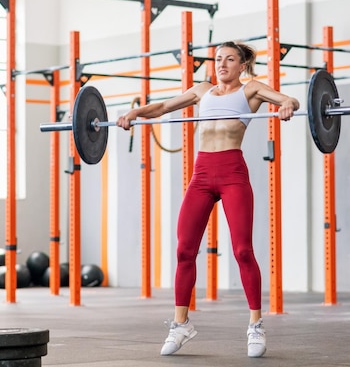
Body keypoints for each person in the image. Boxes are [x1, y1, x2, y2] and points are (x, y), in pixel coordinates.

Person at [116, 41, 300, 358]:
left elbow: (289, 99)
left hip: (232, 173)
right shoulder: (203, 90)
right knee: (184, 250)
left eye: (230, 59)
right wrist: (134, 112)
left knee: (243, 250)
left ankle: (255, 325)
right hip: (201, 174)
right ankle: (181, 323)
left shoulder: (252, 90)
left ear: (243, 65)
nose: (222, 64)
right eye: (218, 59)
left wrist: (287, 106)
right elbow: (162, 108)